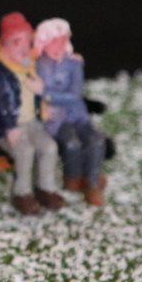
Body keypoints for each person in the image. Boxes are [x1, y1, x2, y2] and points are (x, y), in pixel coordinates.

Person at [0, 12, 64, 215]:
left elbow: (43, 90)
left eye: (26, 40)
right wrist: (9, 127)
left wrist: (43, 93)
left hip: (32, 123)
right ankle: (22, 194)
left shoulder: (30, 65)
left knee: (49, 147)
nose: (23, 46)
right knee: (25, 151)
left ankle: (45, 188)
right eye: (16, 42)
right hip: (9, 128)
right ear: (5, 44)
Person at [34, 18, 107, 205]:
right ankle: (73, 177)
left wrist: (45, 92)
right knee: (71, 142)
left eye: (63, 40)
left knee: (96, 140)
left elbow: (74, 95)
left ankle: (91, 181)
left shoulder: (74, 63)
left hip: (78, 115)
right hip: (55, 119)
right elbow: (35, 96)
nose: (59, 46)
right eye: (54, 41)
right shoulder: (38, 65)